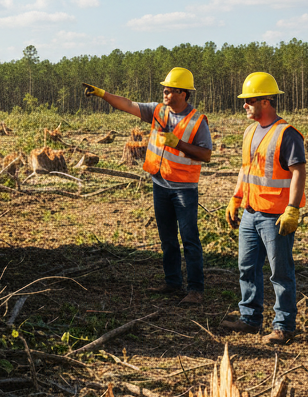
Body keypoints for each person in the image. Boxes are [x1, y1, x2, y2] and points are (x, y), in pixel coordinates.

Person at [82, 68, 212, 304]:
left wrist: (178, 143)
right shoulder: (158, 111)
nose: (164, 92)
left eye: (170, 90)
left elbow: (206, 154)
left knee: (189, 239)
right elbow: (127, 104)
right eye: (164, 89)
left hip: (183, 189)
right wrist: (103, 94)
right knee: (168, 238)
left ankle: (195, 289)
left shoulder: (197, 121)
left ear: (183, 94)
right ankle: (173, 282)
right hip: (160, 184)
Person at [221, 72, 307, 346]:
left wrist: (292, 209)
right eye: (244, 100)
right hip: (250, 212)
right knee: (247, 267)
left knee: (280, 272)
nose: (244, 105)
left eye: (249, 100)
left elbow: (298, 172)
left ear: (266, 102)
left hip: (275, 216)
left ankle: (284, 326)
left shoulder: (287, 134)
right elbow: (246, 170)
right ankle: (249, 319)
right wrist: (236, 198)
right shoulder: (249, 131)